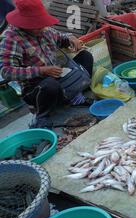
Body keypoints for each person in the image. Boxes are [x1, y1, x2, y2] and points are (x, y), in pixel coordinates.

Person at [0, 0, 94, 129]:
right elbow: (7, 71)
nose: (42, 28)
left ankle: (73, 97)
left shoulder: (44, 30)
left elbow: (62, 38)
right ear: (25, 23)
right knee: (50, 84)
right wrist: (41, 70)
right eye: (38, 25)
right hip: (36, 87)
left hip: (57, 75)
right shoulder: (11, 38)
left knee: (85, 56)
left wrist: (71, 39)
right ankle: (41, 116)